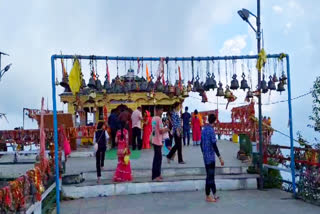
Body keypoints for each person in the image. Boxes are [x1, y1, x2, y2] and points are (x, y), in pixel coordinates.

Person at [200, 114, 224, 202]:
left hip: (206, 157)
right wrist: (220, 157)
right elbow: (214, 145)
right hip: (211, 157)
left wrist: (204, 153)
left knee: (210, 176)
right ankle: (207, 196)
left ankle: (214, 194)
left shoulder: (204, 130)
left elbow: (201, 144)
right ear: (214, 121)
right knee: (210, 177)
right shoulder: (211, 131)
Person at [151, 106, 169, 181]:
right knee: (158, 159)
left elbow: (155, 130)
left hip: (154, 139)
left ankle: (155, 174)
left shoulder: (153, 119)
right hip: (158, 141)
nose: (162, 112)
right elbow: (161, 130)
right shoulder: (159, 119)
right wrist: (166, 129)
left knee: (156, 158)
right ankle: (156, 175)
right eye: (161, 110)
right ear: (158, 111)